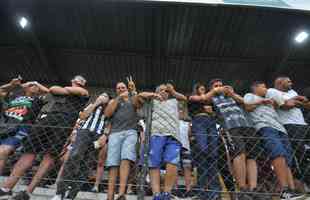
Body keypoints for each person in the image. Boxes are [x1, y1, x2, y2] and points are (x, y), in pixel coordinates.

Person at [0, 75, 89, 200]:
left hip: (65, 123)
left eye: (82, 81)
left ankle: (28, 192)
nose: (79, 81)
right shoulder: (64, 91)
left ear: (83, 84)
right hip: (47, 119)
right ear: (72, 80)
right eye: (77, 79)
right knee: (29, 152)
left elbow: (63, 90)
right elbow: (52, 89)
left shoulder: (84, 92)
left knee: (49, 156)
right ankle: (6, 188)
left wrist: (61, 90)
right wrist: (58, 89)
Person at [244, 81, 305, 200]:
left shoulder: (269, 98)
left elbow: (282, 105)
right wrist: (262, 101)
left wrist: (275, 102)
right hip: (265, 127)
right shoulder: (249, 95)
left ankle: (291, 190)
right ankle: (284, 191)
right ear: (255, 88)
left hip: (280, 128)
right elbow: (248, 107)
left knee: (287, 159)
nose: (266, 89)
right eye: (263, 87)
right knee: (278, 154)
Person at [199, 78, 258, 199]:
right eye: (216, 85)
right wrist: (215, 91)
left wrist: (233, 94)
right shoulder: (212, 97)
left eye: (221, 85)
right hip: (229, 126)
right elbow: (203, 98)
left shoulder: (231, 96)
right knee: (239, 152)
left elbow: (247, 104)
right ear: (212, 88)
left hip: (246, 125)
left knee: (252, 156)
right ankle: (242, 188)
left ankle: (253, 189)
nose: (220, 87)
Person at [51, 92, 110, 200]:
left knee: (86, 165)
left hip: (98, 136)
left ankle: (71, 196)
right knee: (74, 156)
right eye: (101, 95)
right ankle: (60, 193)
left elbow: (111, 122)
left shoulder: (110, 108)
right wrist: (96, 103)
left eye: (105, 96)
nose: (102, 97)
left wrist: (105, 135)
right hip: (84, 132)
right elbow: (82, 116)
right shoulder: (92, 105)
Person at [138, 83, 187, 200]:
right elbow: (140, 96)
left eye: (166, 91)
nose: (164, 92)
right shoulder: (152, 102)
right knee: (154, 163)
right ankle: (156, 194)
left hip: (173, 135)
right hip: (156, 134)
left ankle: (167, 193)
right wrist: (154, 95)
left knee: (172, 162)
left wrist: (173, 91)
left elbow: (184, 99)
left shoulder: (174, 101)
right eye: (161, 90)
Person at [0, 77, 49, 174]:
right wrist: (11, 84)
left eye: (36, 86)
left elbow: (48, 92)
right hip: (5, 126)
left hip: (21, 128)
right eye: (31, 85)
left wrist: (35, 82)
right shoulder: (14, 96)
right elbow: (1, 90)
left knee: (3, 152)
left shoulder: (37, 99)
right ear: (25, 88)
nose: (34, 87)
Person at [267, 77, 310, 185]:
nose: (291, 83)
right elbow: (285, 105)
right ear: (279, 82)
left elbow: (306, 105)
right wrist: (297, 99)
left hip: (303, 124)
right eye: (288, 81)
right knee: (300, 154)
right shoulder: (272, 91)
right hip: (289, 125)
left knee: (306, 152)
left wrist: (294, 99)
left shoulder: (292, 92)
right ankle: (305, 181)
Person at [104, 81, 142, 200]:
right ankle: (110, 196)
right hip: (115, 133)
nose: (120, 89)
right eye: (118, 88)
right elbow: (107, 113)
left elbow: (138, 105)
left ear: (127, 88)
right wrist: (118, 98)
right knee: (113, 163)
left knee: (126, 159)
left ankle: (121, 194)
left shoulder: (133, 98)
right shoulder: (114, 101)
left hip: (131, 132)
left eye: (123, 87)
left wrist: (133, 91)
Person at [188, 83, 221, 200]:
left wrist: (211, 112)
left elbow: (216, 114)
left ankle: (215, 192)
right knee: (203, 152)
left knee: (213, 155)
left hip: (211, 123)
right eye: (201, 88)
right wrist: (215, 91)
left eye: (204, 88)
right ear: (196, 90)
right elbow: (202, 98)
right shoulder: (192, 98)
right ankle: (201, 191)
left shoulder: (210, 100)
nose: (203, 90)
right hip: (199, 121)